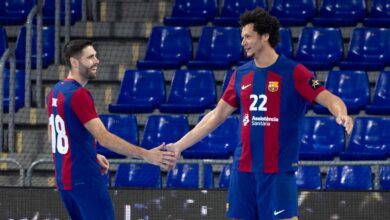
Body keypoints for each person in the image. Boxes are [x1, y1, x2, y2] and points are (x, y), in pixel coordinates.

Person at [165, 8, 353, 220]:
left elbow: (328, 97)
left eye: (248, 36)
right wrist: (180, 145)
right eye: (242, 37)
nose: (243, 42)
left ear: (265, 36)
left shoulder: (296, 72)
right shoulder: (241, 74)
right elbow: (216, 115)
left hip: (277, 171)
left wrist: (341, 113)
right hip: (243, 169)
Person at [46, 39, 176, 220]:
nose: (97, 61)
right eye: (90, 57)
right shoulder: (79, 94)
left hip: (64, 181)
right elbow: (104, 138)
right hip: (85, 180)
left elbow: (54, 136)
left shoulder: (55, 91)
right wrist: (147, 155)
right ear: (74, 62)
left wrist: (90, 154)